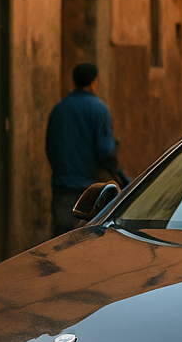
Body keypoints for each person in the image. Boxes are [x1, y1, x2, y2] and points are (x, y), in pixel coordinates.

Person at [46, 62, 130, 234]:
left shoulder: (59, 109)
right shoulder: (99, 109)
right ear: (93, 82)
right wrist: (120, 175)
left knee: (60, 241)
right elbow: (106, 151)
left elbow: (50, 146)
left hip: (62, 186)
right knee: (86, 240)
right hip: (88, 191)